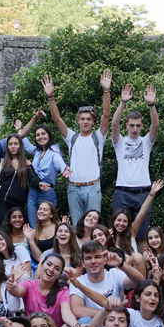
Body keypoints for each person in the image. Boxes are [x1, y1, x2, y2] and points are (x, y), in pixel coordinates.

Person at [43, 71, 112, 227]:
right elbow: (56, 119)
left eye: (89, 119)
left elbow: (106, 115)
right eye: (83, 119)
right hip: (74, 188)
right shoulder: (72, 137)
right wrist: (50, 96)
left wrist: (106, 91)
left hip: (93, 188)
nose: (86, 121)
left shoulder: (98, 137)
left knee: (93, 227)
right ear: (78, 121)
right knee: (76, 229)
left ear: (93, 122)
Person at [110, 83, 159, 241]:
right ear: (127, 126)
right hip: (122, 193)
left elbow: (156, 124)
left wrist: (151, 104)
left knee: (142, 236)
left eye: (138, 126)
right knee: (119, 234)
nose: (135, 129)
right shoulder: (120, 142)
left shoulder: (146, 142)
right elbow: (114, 124)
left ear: (141, 126)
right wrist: (123, 102)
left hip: (143, 193)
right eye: (132, 125)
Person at [18, 113, 69, 228]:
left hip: (46, 191)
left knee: (48, 225)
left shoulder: (54, 149)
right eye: (37, 135)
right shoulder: (38, 151)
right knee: (33, 225)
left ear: (49, 135)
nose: (40, 137)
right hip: (33, 191)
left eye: (43, 134)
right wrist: (19, 129)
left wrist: (64, 168)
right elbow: (26, 144)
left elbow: (58, 160)